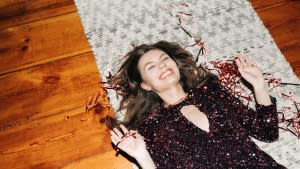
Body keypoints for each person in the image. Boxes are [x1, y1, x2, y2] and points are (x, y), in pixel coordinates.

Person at [101, 41, 286, 168]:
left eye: (165, 59)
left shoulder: (212, 92)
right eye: (151, 67)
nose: (162, 65)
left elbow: (267, 133)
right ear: (145, 85)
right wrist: (142, 157)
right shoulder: (151, 129)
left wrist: (259, 86)